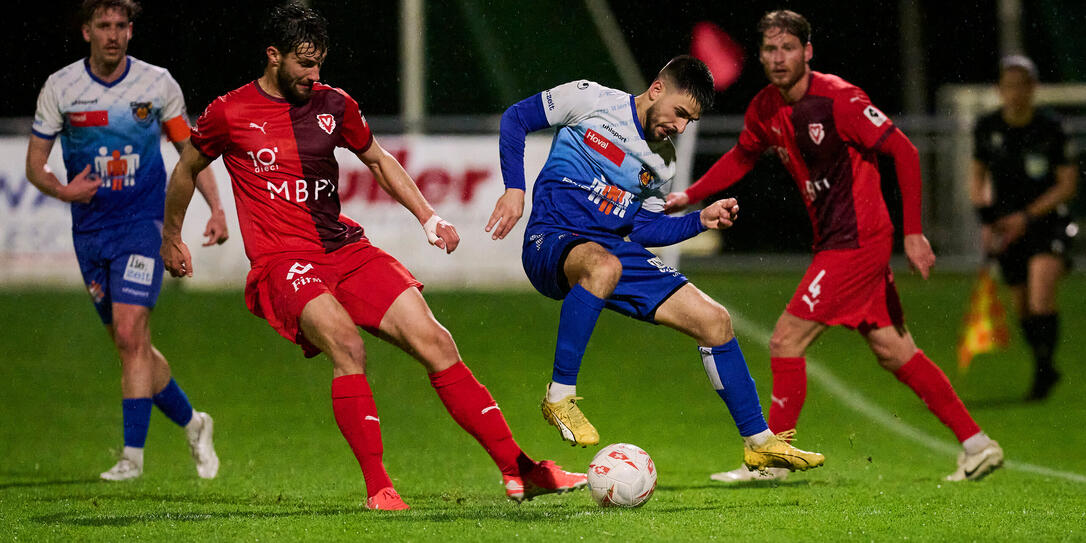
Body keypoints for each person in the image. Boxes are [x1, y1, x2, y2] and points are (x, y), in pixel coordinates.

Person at [161, 2, 586, 511]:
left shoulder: (335, 104)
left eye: (319, 62)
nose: (314, 74)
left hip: (344, 249)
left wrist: (428, 217)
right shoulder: (228, 112)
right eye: (303, 62)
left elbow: (378, 161)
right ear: (273, 56)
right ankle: (379, 488)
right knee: (346, 345)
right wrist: (171, 235)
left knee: (436, 341)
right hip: (283, 261)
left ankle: (521, 469)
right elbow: (186, 168)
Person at [666, 10, 1003, 483]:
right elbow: (743, 155)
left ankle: (774, 459)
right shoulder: (766, 106)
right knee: (894, 350)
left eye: (788, 48)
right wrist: (690, 194)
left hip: (858, 242)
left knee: (786, 339)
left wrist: (913, 232)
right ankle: (977, 444)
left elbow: (903, 151)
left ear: (807, 52)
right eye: (769, 49)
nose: (778, 58)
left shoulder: (839, 99)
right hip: (838, 241)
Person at [488, 55, 825, 476]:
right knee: (604, 267)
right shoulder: (589, 98)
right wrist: (515, 188)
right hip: (552, 238)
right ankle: (559, 395)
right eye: (680, 114)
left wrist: (699, 220)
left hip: (609, 249)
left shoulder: (661, 162)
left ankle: (758, 444)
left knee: (715, 321)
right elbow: (516, 118)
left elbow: (644, 228)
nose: (680, 128)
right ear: (657, 89)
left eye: (691, 122)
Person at [25, 0, 226, 482]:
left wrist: (217, 209)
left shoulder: (157, 85)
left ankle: (131, 458)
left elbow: (190, 151)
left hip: (144, 225)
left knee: (132, 334)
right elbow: (35, 163)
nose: (113, 35)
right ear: (86, 31)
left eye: (121, 26)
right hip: (90, 231)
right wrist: (62, 189)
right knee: (130, 346)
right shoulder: (61, 88)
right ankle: (194, 423)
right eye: (104, 26)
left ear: (131, 31)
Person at [971, 55, 1078, 401]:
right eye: (1009, 86)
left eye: (1022, 85)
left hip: (1047, 224)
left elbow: (1067, 184)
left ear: (1033, 89)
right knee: (1022, 305)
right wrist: (987, 221)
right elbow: (977, 178)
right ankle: (1044, 365)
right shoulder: (987, 127)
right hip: (1007, 227)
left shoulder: (1051, 127)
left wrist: (1028, 217)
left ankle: (1044, 370)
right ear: (999, 90)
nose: (1015, 93)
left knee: (1040, 289)